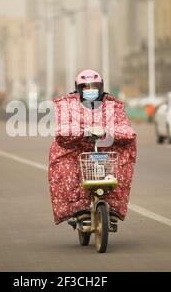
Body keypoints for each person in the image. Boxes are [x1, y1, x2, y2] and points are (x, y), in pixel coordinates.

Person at [48, 69, 137, 225]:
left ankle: (114, 205)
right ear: (78, 89)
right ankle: (78, 206)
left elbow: (126, 129)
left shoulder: (113, 105)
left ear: (101, 87)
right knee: (64, 164)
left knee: (123, 154)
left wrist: (106, 132)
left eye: (94, 87)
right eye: (86, 87)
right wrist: (84, 132)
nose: (90, 91)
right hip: (76, 149)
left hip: (105, 149)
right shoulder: (67, 104)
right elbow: (61, 129)